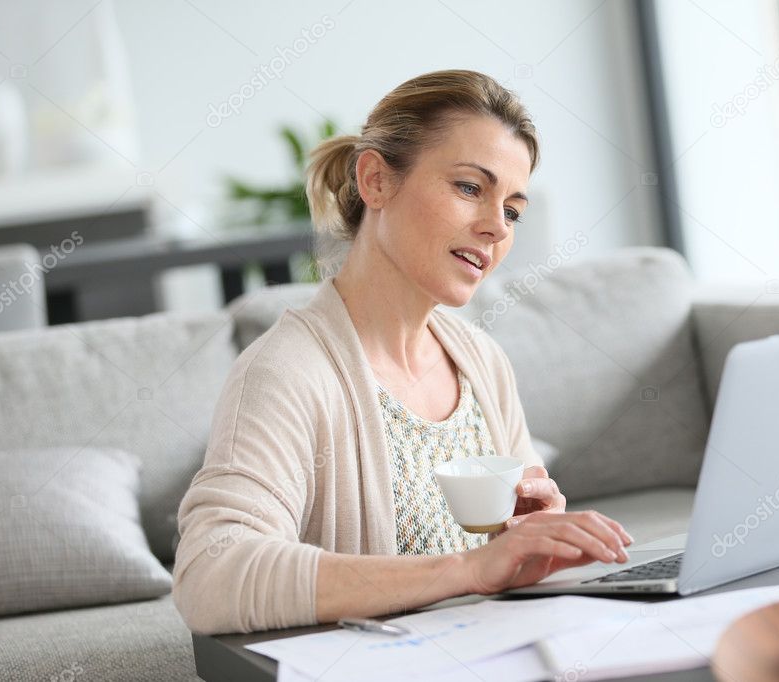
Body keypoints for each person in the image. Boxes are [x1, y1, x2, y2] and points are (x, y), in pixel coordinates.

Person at [172, 69, 633, 635]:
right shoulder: (287, 372)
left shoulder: (482, 362)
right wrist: (468, 569)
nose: (495, 227)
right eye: (469, 187)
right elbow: (210, 576)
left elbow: (499, 573)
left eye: (512, 210)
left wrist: (530, 544)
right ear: (376, 181)